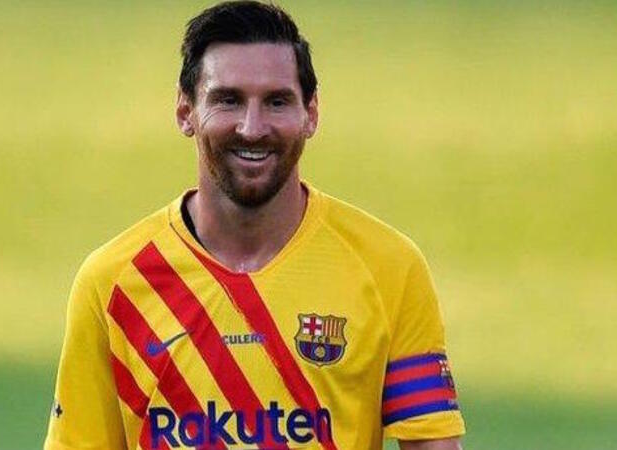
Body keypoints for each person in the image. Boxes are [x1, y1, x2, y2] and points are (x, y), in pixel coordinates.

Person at [43, 1, 466, 449]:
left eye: (276, 102)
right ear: (185, 111)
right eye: (228, 100)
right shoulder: (112, 283)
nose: (252, 128)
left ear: (311, 113)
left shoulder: (389, 268)